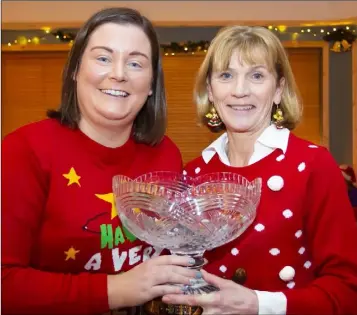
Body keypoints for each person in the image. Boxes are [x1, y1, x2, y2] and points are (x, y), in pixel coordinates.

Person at [1, 7, 200, 315]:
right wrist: (116, 290)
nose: (118, 73)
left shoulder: (165, 153)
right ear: (75, 70)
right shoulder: (22, 151)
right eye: (103, 58)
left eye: (135, 63)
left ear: (150, 85)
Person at [161, 26, 357, 315]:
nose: (240, 90)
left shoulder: (312, 164)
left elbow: (347, 290)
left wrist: (259, 305)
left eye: (256, 75)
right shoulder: (194, 173)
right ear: (211, 91)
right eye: (226, 75)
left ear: (278, 90)